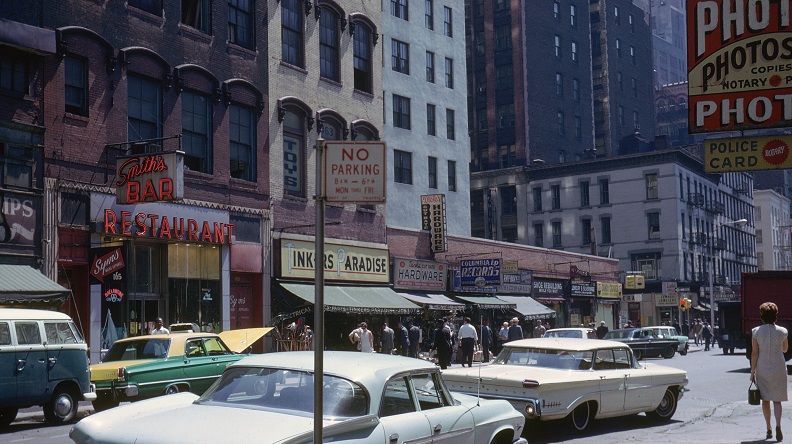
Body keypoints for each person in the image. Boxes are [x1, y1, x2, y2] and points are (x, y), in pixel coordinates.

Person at [751, 302, 789, 441]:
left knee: (765, 399)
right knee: (777, 400)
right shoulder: (783, 331)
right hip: (779, 367)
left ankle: (769, 429)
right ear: (775, 315)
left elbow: (755, 353)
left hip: (763, 368)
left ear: (761, 316)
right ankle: (779, 425)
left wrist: (752, 372)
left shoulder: (756, 332)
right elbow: (785, 350)